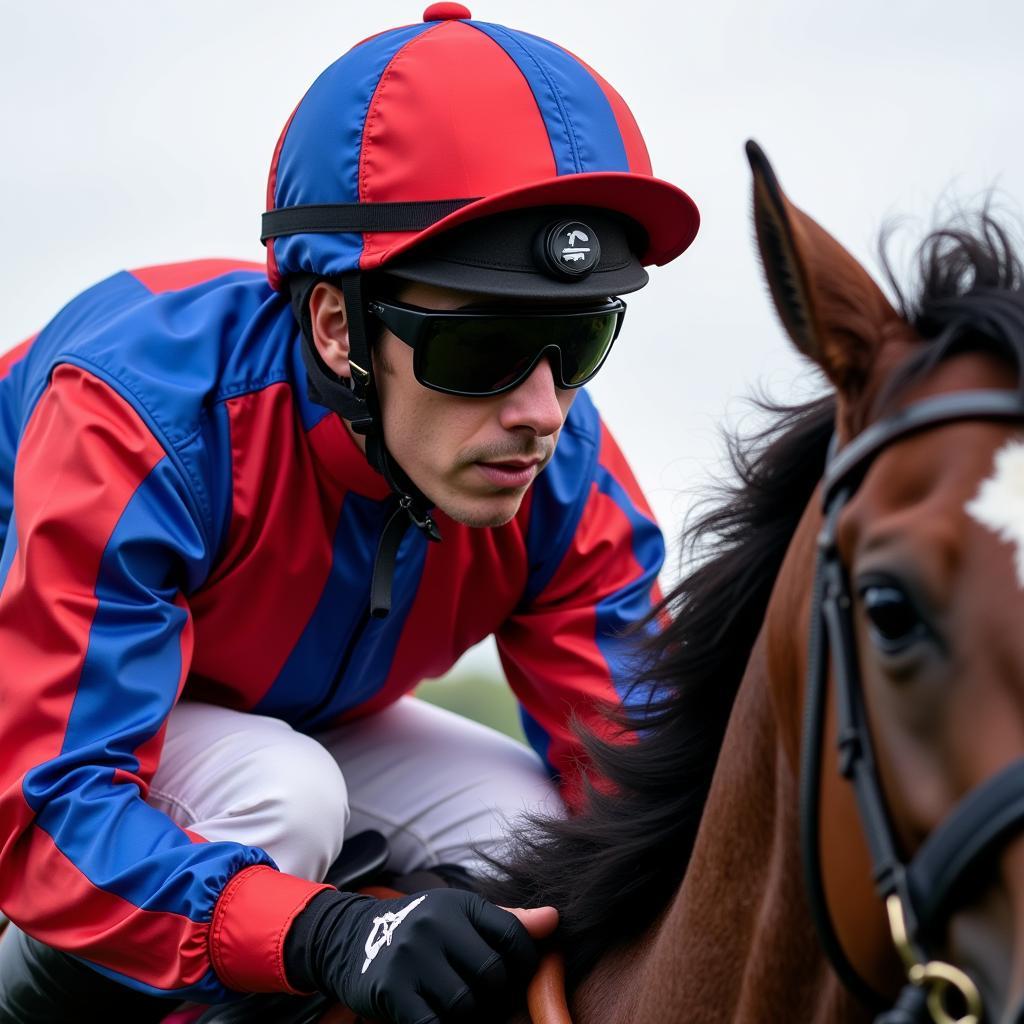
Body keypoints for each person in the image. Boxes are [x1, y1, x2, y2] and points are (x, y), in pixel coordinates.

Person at [0, 5, 699, 1022]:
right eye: (482, 348)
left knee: (529, 835)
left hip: (279, 719)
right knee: (281, 798)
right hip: (41, 747)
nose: (541, 414)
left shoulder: (563, 467)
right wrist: (328, 934)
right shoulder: (136, 416)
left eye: (579, 343)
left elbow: (637, 786)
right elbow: (51, 815)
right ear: (338, 327)